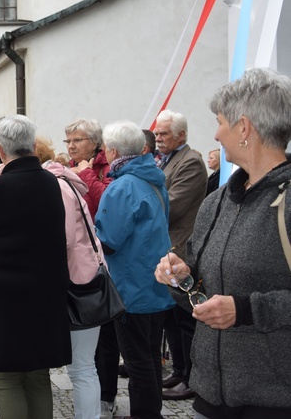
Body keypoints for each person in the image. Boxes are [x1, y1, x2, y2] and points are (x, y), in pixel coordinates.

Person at [154, 68, 291, 418]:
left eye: (219, 122)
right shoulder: (217, 202)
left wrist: (245, 310)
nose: (215, 134)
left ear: (243, 128)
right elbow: (202, 293)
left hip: (274, 401)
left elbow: (239, 305)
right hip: (211, 396)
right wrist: (180, 279)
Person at [0, 115, 70, 419]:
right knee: (37, 374)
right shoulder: (51, 182)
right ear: (33, 145)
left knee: (6, 378)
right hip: (45, 293)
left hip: (4, 296)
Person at [95, 121, 175, 419]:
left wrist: (90, 231)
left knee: (137, 360)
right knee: (150, 356)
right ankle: (150, 412)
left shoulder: (123, 186)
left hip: (131, 285)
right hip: (154, 281)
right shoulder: (153, 178)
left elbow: (109, 241)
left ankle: (144, 414)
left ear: (113, 150)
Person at [39, 137, 105, 419]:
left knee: (81, 368)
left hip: (76, 283)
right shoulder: (67, 182)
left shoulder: (56, 186)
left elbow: (62, 240)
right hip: (84, 278)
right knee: (83, 366)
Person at [63, 118, 117, 418]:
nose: (71, 146)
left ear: (95, 143)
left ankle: (106, 397)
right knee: (85, 354)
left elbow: (105, 203)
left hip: (98, 261)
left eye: (77, 140)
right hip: (80, 264)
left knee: (103, 344)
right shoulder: (66, 167)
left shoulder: (104, 168)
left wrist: (84, 174)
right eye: (68, 140)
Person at [154, 109, 207, 401]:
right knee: (172, 319)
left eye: (164, 133)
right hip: (168, 249)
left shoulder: (192, 162)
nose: (158, 138)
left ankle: (190, 377)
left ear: (181, 135)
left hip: (182, 248)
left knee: (186, 319)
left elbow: (171, 206)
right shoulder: (167, 159)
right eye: (157, 133)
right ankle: (179, 370)